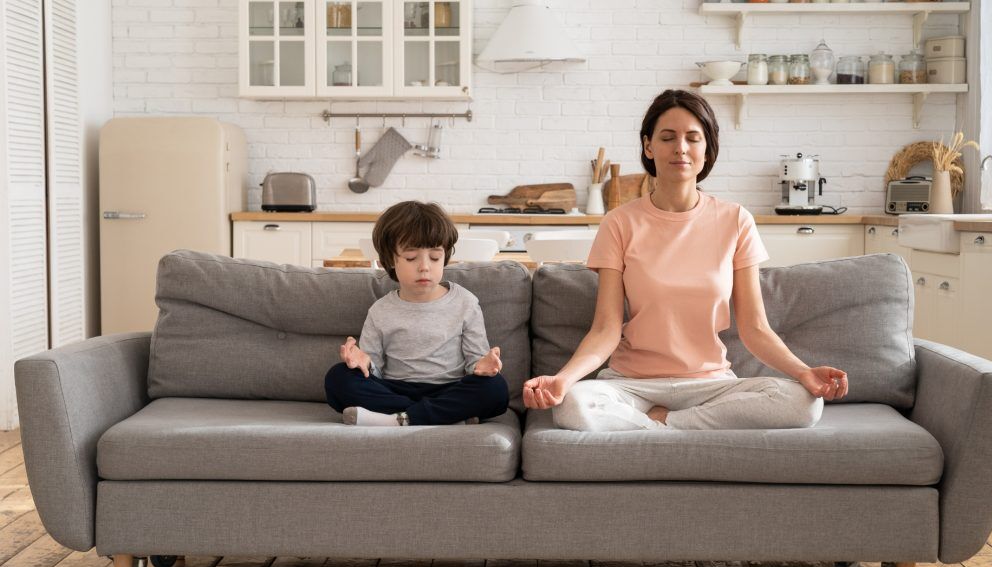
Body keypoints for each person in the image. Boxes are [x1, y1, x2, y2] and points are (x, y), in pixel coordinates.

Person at [523, 89, 848, 431]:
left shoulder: (736, 220)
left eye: (693, 138)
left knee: (803, 405)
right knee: (572, 405)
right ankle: (681, 428)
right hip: (633, 382)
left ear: (707, 149)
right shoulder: (619, 222)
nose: (680, 147)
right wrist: (563, 379)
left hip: (709, 383)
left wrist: (803, 372)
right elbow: (605, 328)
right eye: (667, 137)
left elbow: (755, 328)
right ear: (649, 147)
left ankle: (663, 424)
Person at [325, 201, 509, 426]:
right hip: (395, 388)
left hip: (449, 388)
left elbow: (475, 364)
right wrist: (363, 362)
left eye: (434, 257)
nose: (424, 267)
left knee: (495, 389)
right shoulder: (381, 310)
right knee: (338, 378)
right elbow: (375, 371)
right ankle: (442, 416)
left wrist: (484, 367)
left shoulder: (465, 302)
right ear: (392, 260)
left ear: (445, 257)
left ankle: (398, 419)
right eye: (411, 258)